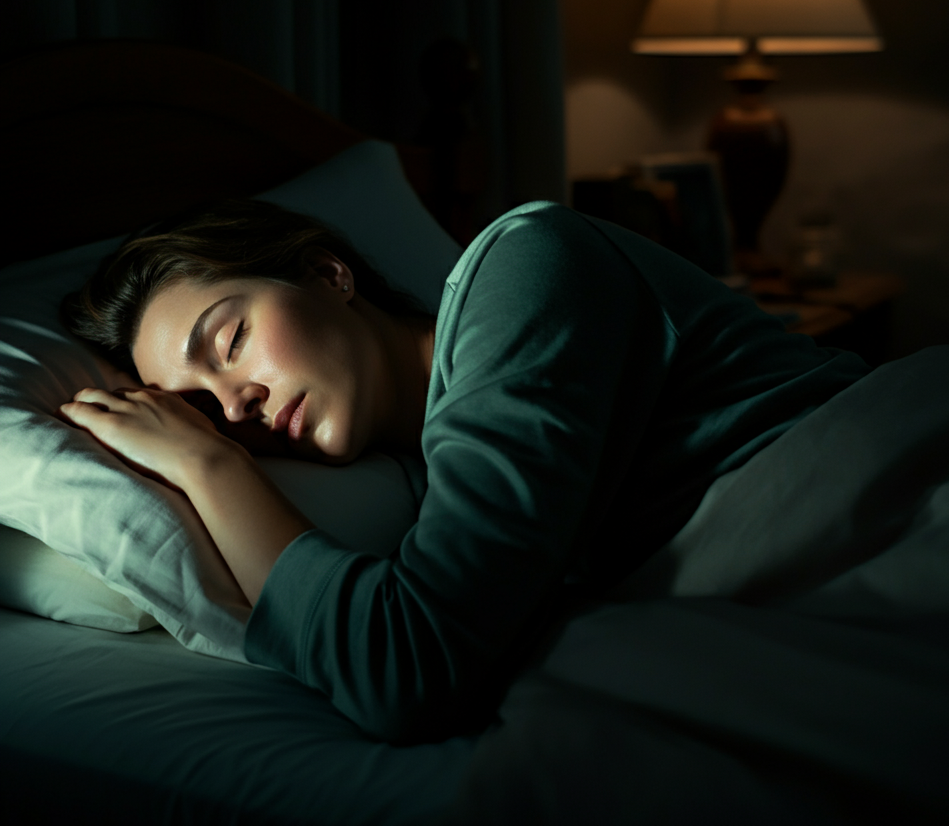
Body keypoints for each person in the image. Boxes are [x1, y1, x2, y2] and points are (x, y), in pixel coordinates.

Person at [60, 197, 868, 743]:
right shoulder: (424, 461)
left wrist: (207, 463)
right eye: (202, 409)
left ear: (327, 275)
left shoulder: (526, 266)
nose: (237, 407)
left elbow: (410, 666)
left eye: (230, 342)